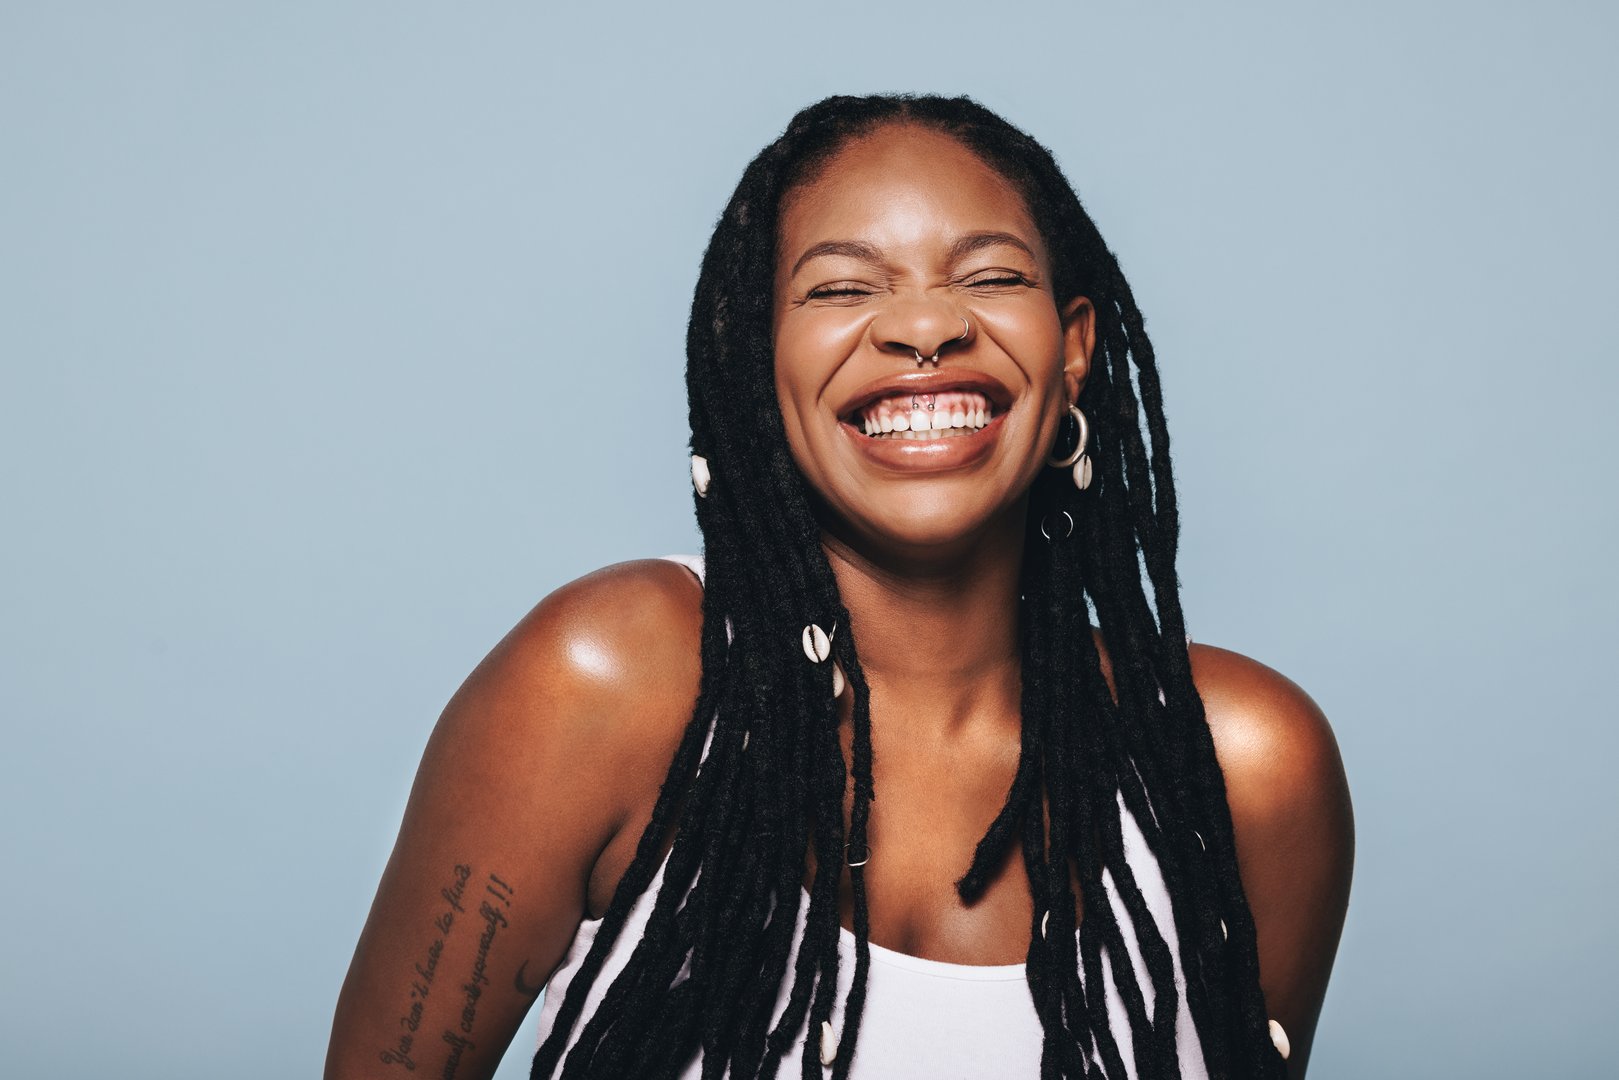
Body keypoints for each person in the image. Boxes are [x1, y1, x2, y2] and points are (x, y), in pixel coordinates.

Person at [324, 93, 1353, 1080]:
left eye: (988, 277)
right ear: (752, 359)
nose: (923, 327)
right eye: (839, 287)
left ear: (1072, 348)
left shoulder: (1241, 768)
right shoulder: (604, 682)